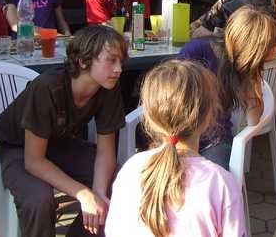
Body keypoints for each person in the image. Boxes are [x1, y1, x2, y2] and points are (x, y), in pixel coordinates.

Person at [0, 25, 128, 237]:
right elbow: (34, 161)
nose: (118, 69)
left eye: (120, 61)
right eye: (111, 60)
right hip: (16, 147)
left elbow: (105, 150)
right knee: (38, 199)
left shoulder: (109, 85)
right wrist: (83, 194)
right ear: (83, 61)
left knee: (119, 181)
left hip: (58, 143)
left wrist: (98, 193)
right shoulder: (48, 87)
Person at [105, 59, 246, 237]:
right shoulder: (220, 183)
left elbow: (113, 231)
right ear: (209, 117)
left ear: (149, 118)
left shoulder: (131, 169)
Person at [179, 5, 276, 170]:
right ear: (255, 46)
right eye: (274, 44)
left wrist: (253, 79)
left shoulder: (245, 68)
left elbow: (253, 119)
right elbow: (174, 104)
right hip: (180, 135)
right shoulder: (198, 52)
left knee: (219, 177)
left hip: (216, 139)